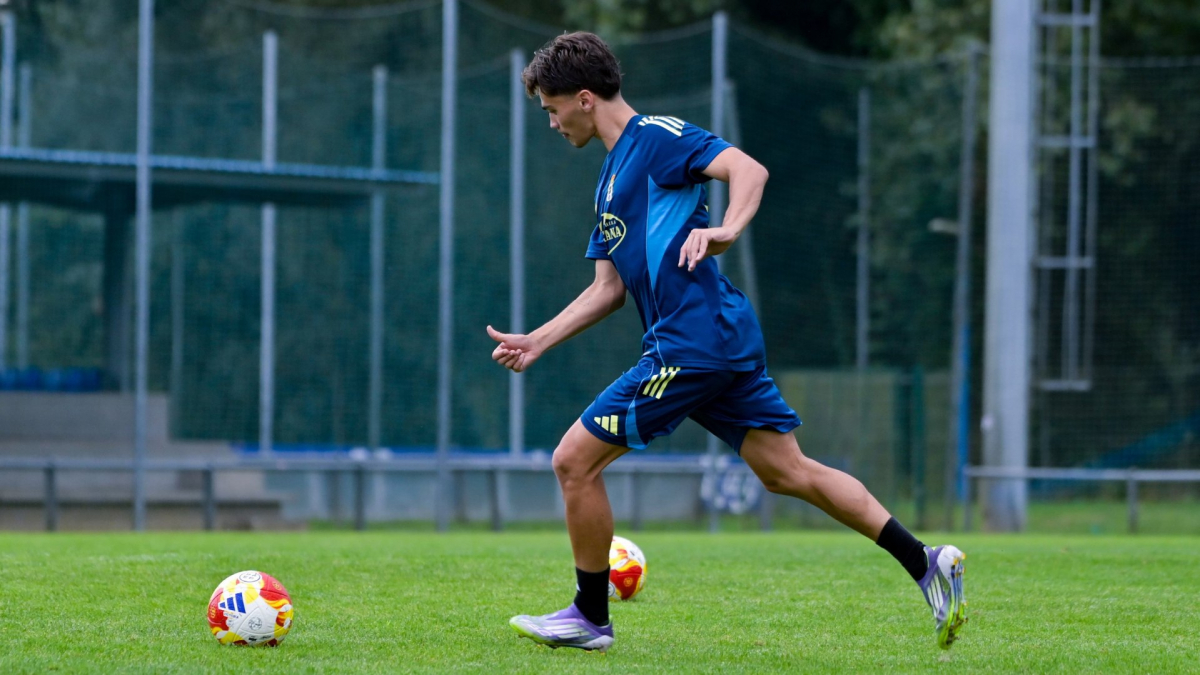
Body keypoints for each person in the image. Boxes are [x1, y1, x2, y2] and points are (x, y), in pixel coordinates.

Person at [487, 31, 966, 653]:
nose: (549, 122)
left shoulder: (654, 137)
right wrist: (538, 340)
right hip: (715, 340)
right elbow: (607, 289)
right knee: (786, 470)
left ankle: (589, 616)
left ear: (583, 98)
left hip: (692, 345)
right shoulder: (608, 181)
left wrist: (727, 229)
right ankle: (927, 562)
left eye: (551, 109)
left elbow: (747, 168)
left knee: (572, 461)